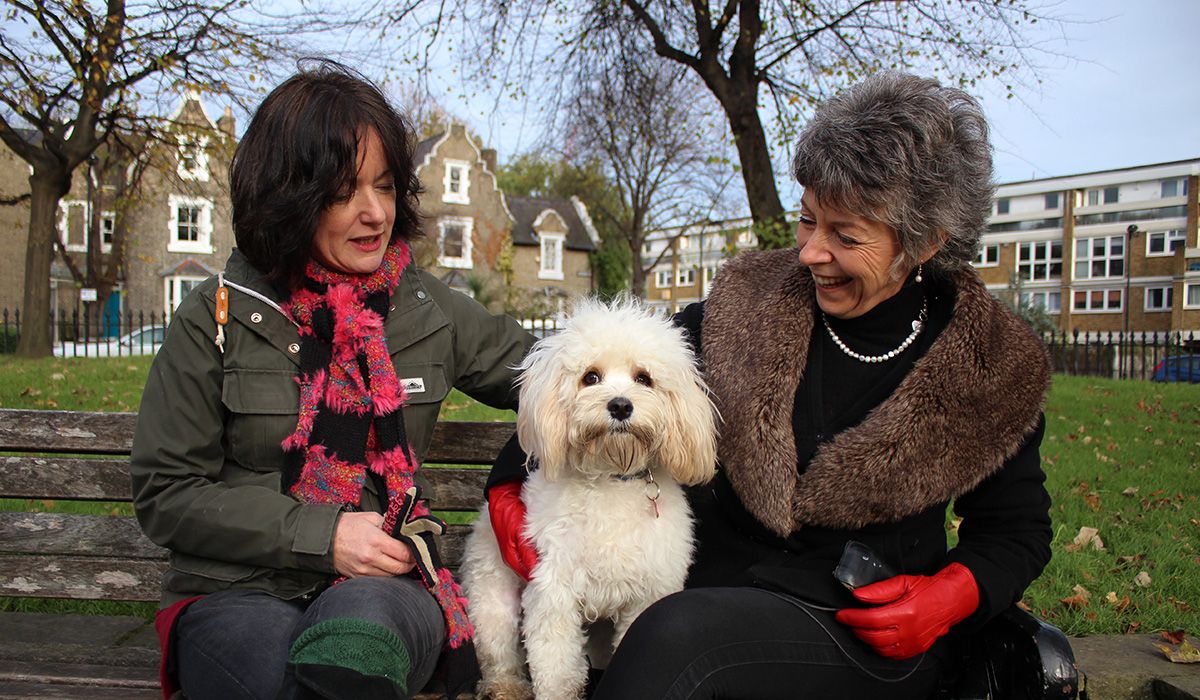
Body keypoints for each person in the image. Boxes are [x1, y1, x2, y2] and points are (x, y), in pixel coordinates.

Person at [485, 70, 1053, 698]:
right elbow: (613, 379)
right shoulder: (747, 303)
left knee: (672, 634)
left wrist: (946, 598)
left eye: (846, 235)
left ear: (924, 243)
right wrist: (509, 483)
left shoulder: (988, 363)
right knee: (671, 632)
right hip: (715, 593)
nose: (811, 251)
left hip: (861, 630)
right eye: (808, 220)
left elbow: (1014, 531)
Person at [130, 62, 533, 700]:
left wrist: (689, 345)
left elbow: (560, 372)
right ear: (287, 196)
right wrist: (325, 535)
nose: (375, 213)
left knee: (356, 649)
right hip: (237, 587)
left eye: (386, 184)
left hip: (384, 585)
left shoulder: (428, 310)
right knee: (266, 674)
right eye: (344, 192)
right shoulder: (217, 315)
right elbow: (167, 492)